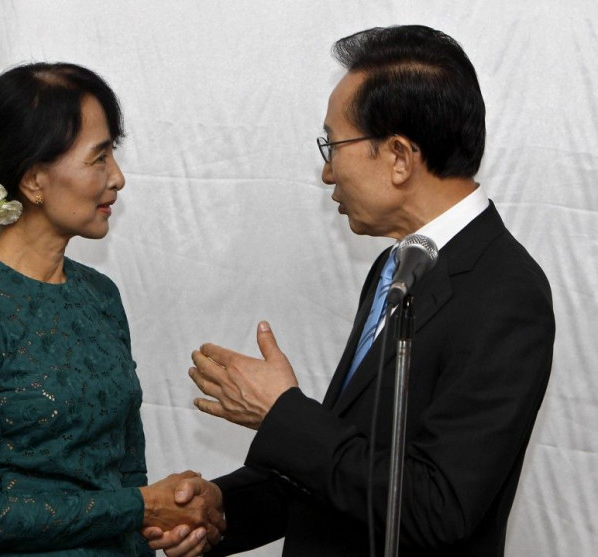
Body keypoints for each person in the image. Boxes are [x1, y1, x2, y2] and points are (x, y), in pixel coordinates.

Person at [145, 25, 555, 556]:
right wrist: (219, 509)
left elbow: (437, 508)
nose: (325, 171)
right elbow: (355, 468)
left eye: (333, 145)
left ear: (400, 156)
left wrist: (282, 414)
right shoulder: (398, 265)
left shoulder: (506, 291)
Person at [0, 62, 223, 557]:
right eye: (99, 158)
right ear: (35, 180)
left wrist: (170, 524)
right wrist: (142, 507)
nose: (117, 177)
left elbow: (127, 476)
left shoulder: (99, 295)